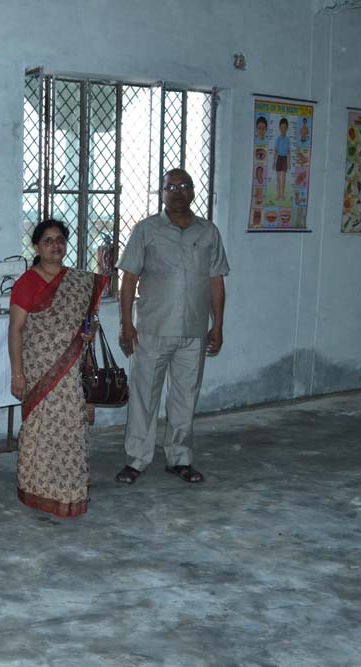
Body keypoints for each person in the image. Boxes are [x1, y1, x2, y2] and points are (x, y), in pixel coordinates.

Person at [115, 169, 229, 485]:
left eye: (184, 186)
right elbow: (129, 279)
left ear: (193, 191)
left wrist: (218, 325)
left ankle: (179, 458)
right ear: (162, 193)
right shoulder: (146, 230)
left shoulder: (208, 232)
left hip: (194, 330)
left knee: (185, 397)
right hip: (152, 329)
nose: (178, 192)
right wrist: (126, 324)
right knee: (144, 397)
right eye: (171, 187)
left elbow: (216, 281)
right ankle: (136, 460)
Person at [8, 219, 106, 518]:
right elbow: (15, 330)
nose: (55, 246)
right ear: (36, 247)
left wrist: (88, 331)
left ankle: (70, 492)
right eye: (48, 241)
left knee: (71, 428)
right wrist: (18, 373)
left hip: (71, 371)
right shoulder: (27, 283)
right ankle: (37, 488)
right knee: (40, 429)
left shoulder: (78, 281)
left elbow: (88, 322)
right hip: (40, 369)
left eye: (60, 239)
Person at [274, 117, 290, 201]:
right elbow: (276, 151)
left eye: (285, 127)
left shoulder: (288, 140)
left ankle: (282, 195)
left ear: (287, 128)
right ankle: (278, 195)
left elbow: (289, 152)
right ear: (279, 128)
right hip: (279, 158)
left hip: (284, 159)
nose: (283, 129)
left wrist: (289, 163)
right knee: (278, 178)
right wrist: (274, 162)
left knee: (283, 178)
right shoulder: (278, 139)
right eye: (282, 127)